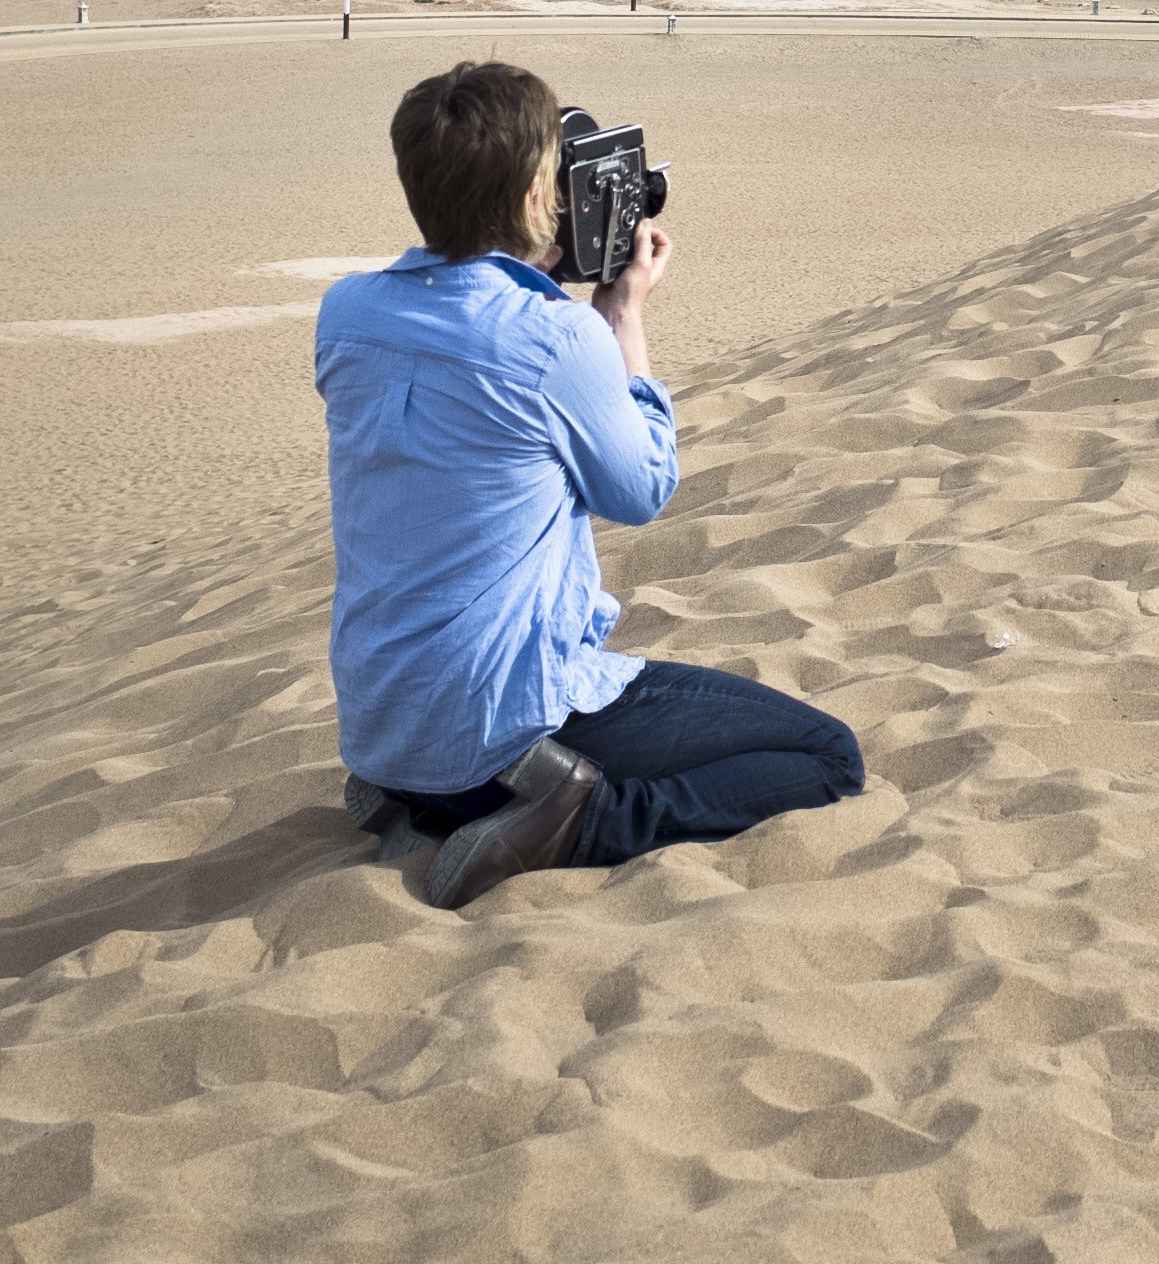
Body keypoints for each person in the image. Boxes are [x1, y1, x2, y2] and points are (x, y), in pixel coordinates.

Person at [315, 57, 864, 909]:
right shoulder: (553, 340)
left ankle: (415, 797)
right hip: (501, 725)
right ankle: (576, 820)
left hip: (384, 725)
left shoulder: (347, 313)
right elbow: (642, 490)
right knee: (826, 755)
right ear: (539, 194)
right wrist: (622, 316)